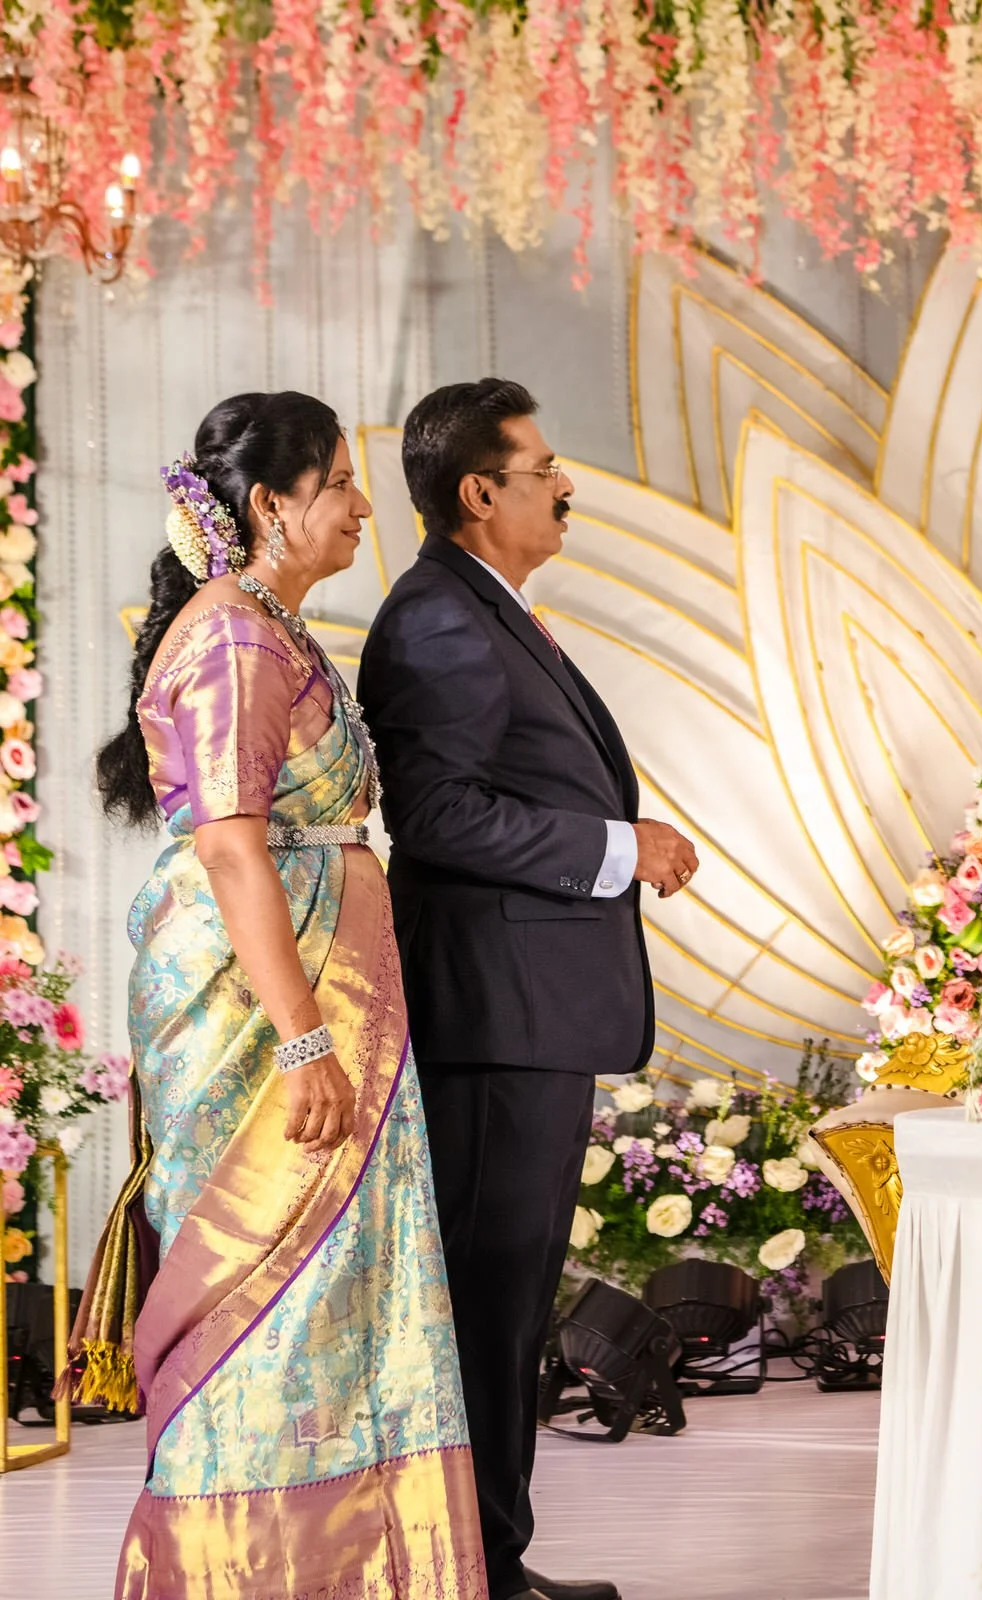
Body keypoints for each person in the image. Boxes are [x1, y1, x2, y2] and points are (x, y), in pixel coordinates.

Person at [88, 392, 485, 1598]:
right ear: (270, 504)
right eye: (341, 483)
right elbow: (229, 845)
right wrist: (304, 1037)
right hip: (265, 1016)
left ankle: (352, 1563)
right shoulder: (231, 638)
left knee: (337, 1283)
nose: (364, 505)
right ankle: (237, 1568)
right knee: (269, 1281)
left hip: (324, 997)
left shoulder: (272, 628)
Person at [359, 380, 698, 1600]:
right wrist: (618, 848)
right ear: (478, 491)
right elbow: (437, 815)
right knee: (485, 1301)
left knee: (506, 1300)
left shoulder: (483, 606)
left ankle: (490, 1555)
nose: (565, 487)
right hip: (492, 1013)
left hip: (525, 1012)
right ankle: (471, 1569)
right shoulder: (440, 618)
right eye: (544, 467)